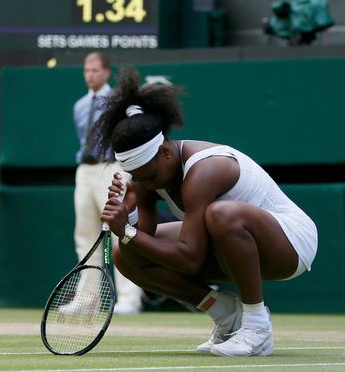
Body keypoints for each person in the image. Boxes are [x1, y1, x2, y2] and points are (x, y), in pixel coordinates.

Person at [96, 68, 318, 356]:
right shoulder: (147, 177)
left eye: (147, 176)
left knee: (220, 214)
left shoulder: (205, 170)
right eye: (136, 177)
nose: (145, 183)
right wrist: (130, 218)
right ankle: (226, 315)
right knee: (122, 256)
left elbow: (189, 259)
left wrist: (125, 231)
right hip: (227, 249)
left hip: (291, 246)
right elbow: (138, 253)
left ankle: (257, 327)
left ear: (164, 152)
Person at [63, 53, 144, 316]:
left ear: (107, 72)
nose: (90, 74)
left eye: (95, 70)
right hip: (85, 171)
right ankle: (88, 300)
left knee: (120, 231)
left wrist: (125, 172)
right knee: (85, 235)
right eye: (87, 70)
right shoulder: (78, 106)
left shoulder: (119, 102)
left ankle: (130, 297)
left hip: (111, 169)